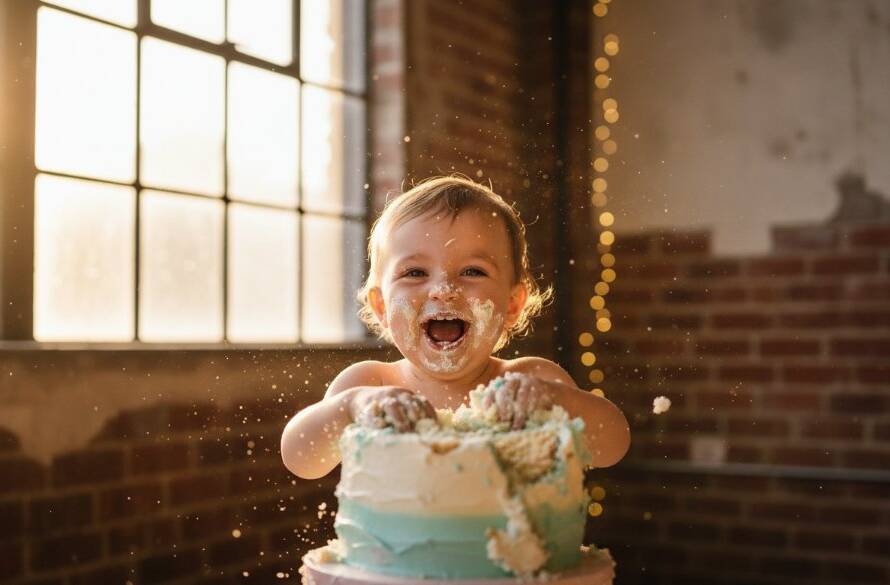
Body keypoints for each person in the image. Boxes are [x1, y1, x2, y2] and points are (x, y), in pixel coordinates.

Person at [281, 176, 630, 479]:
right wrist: (350, 409)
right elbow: (300, 460)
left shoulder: (533, 382)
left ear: (512, 304)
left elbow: (612, 446)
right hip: (394, 557)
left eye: (472, 271)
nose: (443, 289)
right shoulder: (370, 385)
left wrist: (556, 401)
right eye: (415, 272)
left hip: (518, 553)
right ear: (382, 307)